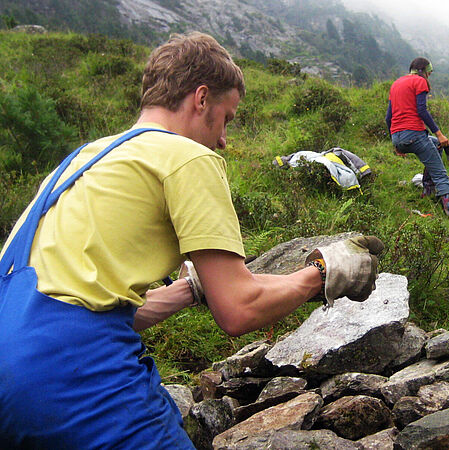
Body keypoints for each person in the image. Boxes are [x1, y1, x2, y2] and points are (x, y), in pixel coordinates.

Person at [0, 32, 383, 449]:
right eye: (226, 119)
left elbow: (98, 307)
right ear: (201, 99)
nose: (222, 139)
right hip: (77, 380)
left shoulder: (83, 160)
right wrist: (326, 272)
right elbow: (238, 310)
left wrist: (192, 289)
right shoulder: (187, 156)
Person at [385, 57, 449, 219]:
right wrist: (439, 134)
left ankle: (428, 192)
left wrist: (395, 144)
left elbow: (388, 117)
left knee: (434, 145)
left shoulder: (396, 83)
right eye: (429, 73)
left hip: (398, 138)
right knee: (442, 176)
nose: (428, 76)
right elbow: (422, 111)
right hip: (414, 135)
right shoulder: (419, 81)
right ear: (424, 71)